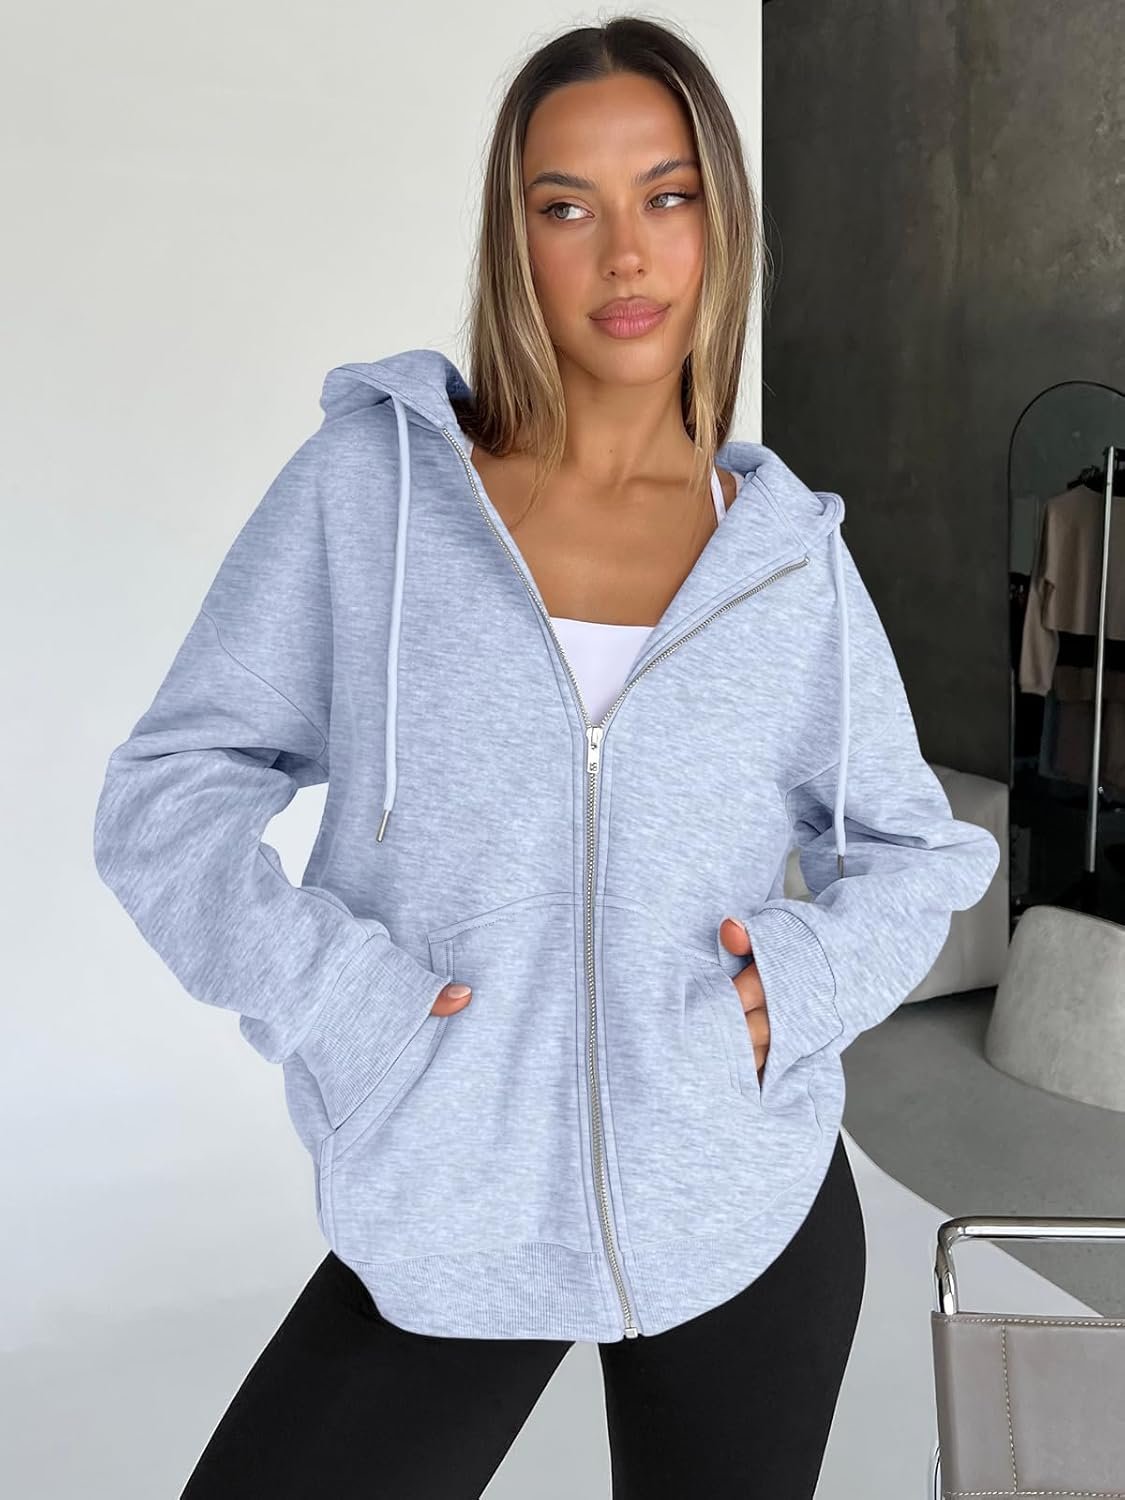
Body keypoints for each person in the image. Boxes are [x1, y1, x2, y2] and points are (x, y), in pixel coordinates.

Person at [93, 16, 1000, 1498]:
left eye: (666, 196)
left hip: (740, 1204)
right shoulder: (373, 492)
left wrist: (801, 989)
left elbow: (917, 852)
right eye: (565, 205)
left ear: (720, 222)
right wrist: (346, 1004)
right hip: (446, 1190)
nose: (624, 255)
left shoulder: (784, 561)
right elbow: (167, 799)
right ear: (513, 241)